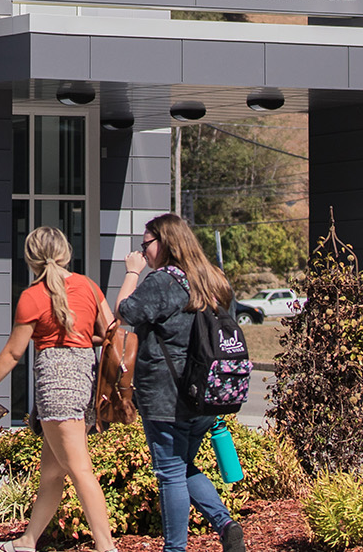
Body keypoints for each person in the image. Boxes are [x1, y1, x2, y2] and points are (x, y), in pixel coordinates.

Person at [0, 226, 117, 552]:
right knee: (53, 473)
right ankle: (28, 541)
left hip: (56, 386)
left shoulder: (33, 296)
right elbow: (110, 332)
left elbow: (14, 352)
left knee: (81, 471)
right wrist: (82, 339)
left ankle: (107, 547)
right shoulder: (88, 286)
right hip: (85, 381)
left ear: (30, 258)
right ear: (66, 253)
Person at [113, 213, 246, 552]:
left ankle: (175, 549)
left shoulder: (164, 282)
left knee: (169, 473)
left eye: (146, 245)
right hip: (206, 392)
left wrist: (132, 272)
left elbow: (125, 312)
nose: (143, 252)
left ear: (166, 242)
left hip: (167, 396)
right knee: (183, 466)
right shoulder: (212, 278)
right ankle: (225, 524)